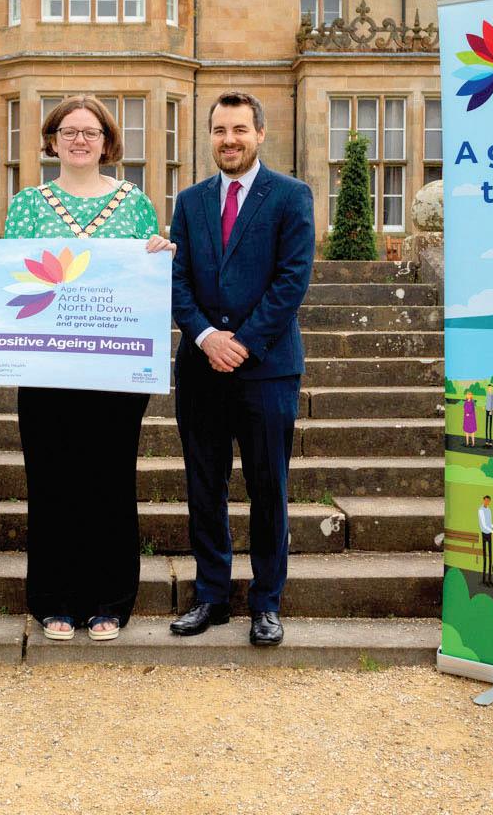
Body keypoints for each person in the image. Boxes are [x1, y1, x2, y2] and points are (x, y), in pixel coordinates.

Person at [3, 95, 174, 644]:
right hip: (46, 368)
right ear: (52, 141)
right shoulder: (27, 204)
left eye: (91, 132)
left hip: (115, 370)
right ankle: (53, 599)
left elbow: (147, 283)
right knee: (51, 480)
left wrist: (160, 253)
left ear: (107, 142)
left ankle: (110, 600)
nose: (80, 140)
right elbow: (12, 276)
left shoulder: (135, 204)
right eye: (69, 132)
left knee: (110, 481)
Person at [169, 91, 315, 648]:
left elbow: (292, 279)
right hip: (201, 367)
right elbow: (177, 280)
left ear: (259, 134)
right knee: (204, 486)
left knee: (267, 486)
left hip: (267, 368)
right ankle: (211, 596)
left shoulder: (291, 196)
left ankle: (267, 602)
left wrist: (244, 343)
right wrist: (206, 336)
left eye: (238, 130)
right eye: (219, 130)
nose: (228, 140)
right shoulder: (190, 201)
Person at [477, 495, 493, 586]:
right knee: (485, 557)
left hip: (489, 534)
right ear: (483, 500)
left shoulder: (489, 510)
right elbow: (483, 524)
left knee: (490, 556)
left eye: (488, 501)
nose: (487, 502)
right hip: (484, 533)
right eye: (486, 500)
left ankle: (489, 580)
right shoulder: (481, 510)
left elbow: (489, 523)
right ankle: (484, 580)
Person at [483, 384, 493, 448]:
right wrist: (485, 407)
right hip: (487, 410)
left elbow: (492, 404)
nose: (489, 389)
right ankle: (486, 441)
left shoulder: (492, 395)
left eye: (490, 388)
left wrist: (491, 410)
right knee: (486, 426)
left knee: (490, 426)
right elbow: (487, 402)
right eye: (488, 388)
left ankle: (490, 442)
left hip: (490, 411)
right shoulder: (487, 395)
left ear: (492, 389)